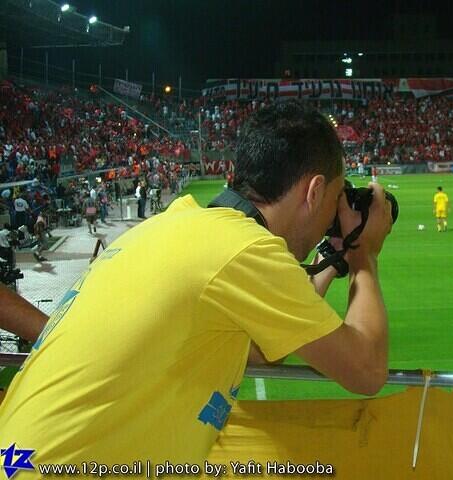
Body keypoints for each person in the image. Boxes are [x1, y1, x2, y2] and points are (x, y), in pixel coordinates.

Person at [0, 101, 393, 468]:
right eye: (337, 197)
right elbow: (366, 371)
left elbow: (261, 352)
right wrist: (364, 258)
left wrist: (332, 261)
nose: (333, 214)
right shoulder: (246, 251)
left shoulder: (178, 223)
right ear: (315, 190)